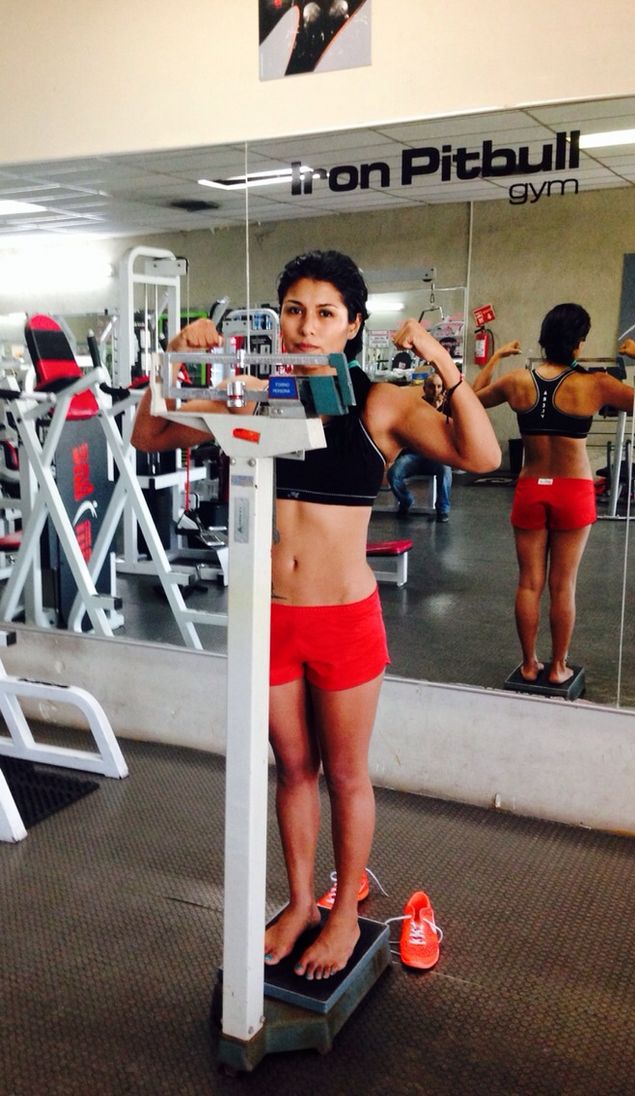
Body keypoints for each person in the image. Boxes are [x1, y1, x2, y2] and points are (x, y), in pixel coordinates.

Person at [132, 250, 501, 980]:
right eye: (293, 311)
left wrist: (440, 362)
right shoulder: (252, 394)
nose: (306, 327)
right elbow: (150, 436)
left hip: (343, 620)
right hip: (271, 618)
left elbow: (482, 456)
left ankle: (344, 914)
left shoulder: (380, 404)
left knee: (346, 775)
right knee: (293, 769)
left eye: (325, 313)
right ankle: (301, 902)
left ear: (353, 324)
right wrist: (176, 356)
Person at [472, 304, 635, 685]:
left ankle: (529, 664)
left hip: (531, 489)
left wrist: (495, 357)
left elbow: (472, 399)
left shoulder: (518, 381)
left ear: (544, 340)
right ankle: (558, 668)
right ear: (578, 344)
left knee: (529, 583)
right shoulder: (595, 384)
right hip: (573, 492)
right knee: (563, 585)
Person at [387, 371, 453, 521]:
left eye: (439, 387)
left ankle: (443, 509)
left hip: (436, 456)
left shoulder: (447, 408)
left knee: (445, 470)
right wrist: (433, 410)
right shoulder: (415, 407)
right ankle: (406, 500)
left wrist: (440, 411)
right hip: (414, 455)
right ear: (424, 389)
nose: (435, 390)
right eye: (431, 386)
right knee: (393, 474)